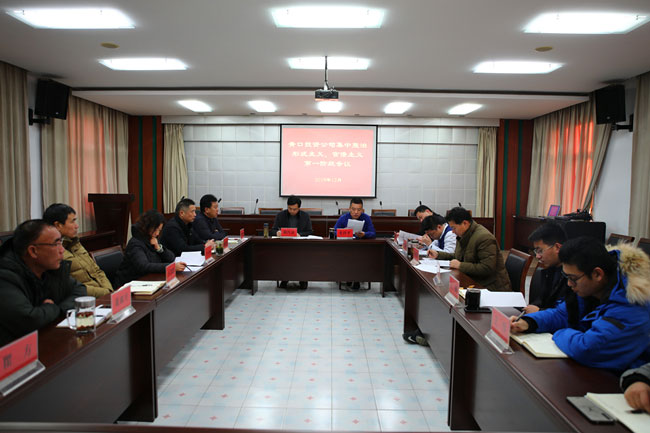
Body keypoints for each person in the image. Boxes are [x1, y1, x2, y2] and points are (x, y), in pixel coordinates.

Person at [511, 237, 650, 372]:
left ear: (597, 274)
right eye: (566, 277)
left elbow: (587, 349)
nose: (569, 284)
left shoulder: (632, 303)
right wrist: (529, 322)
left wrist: (559, 333)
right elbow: (562, 314)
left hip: (623, 380)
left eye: (573, 278)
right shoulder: (591, 287)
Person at [0, 220, 87, 346]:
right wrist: (52, 309)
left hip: (46, 341)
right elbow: (29, 321)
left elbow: (80, 290)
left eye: (61, 242)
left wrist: (57, 309)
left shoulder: (50, 269)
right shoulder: (5, 277)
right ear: (33, 251)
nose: (62, 250)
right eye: (56, 244)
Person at [430, 207, 510, 291]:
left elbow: (487, 268)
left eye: (454, 228)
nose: (452, 231)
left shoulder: (484, 238)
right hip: (472, 280)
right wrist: (438, 254)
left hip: (490, 287)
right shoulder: (463, 235)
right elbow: (458, 256)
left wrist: (460, 265)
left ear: (465, 223)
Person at [43, 203, 113, 297]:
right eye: (72, 222)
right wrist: (106, 293)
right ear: (58, 225)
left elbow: (97, 271)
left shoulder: (74, 243)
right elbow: (71, 288)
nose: (76, 226)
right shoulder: (51, 253)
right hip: (83, 299)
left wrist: (109, 290)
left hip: (103, 295)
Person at [115, 210, 186, 287]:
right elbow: (144, 266)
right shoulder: (135, 244)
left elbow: (171, 258)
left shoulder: (152, 239)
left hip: (148, 280)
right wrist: (170, 267)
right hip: (130, 284)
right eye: (155, 230)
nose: (157, 233)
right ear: (147, 227)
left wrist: (159, 248)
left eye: (159, 230)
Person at [524, 222, 570, 313]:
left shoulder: (572, 276)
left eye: (540, 251)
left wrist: (539, 311)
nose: (537, 256)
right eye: (536, 251)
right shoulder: (550, 270)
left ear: (557, 247)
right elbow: (541, 300)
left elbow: (567, 313)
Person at [334, 198, 376, 290]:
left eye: (359, 210)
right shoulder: (343, 218)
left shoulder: (366, 218)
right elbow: (335, 232)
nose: (356, 212)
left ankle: (356, 279)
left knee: (359, 256)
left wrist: (364, 234)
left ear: (362, 210)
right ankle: (349, 278)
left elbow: (373, 233)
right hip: (346, 248)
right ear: (349, 209)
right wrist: (344, 232)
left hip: (361, 248)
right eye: (353, 209)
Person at [272, 195, 313, 289]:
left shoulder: (305, 216)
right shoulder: (281, 215)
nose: (292, 211)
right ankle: (284, 278)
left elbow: (310, 231)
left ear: (299, 208)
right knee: (284, 256)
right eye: (290, 208)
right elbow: (273, 230)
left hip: (300, 246)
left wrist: (300, 235)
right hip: (285, 246)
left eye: (294, 209)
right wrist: (277, 233)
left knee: (302, 257)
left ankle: (303, 279)